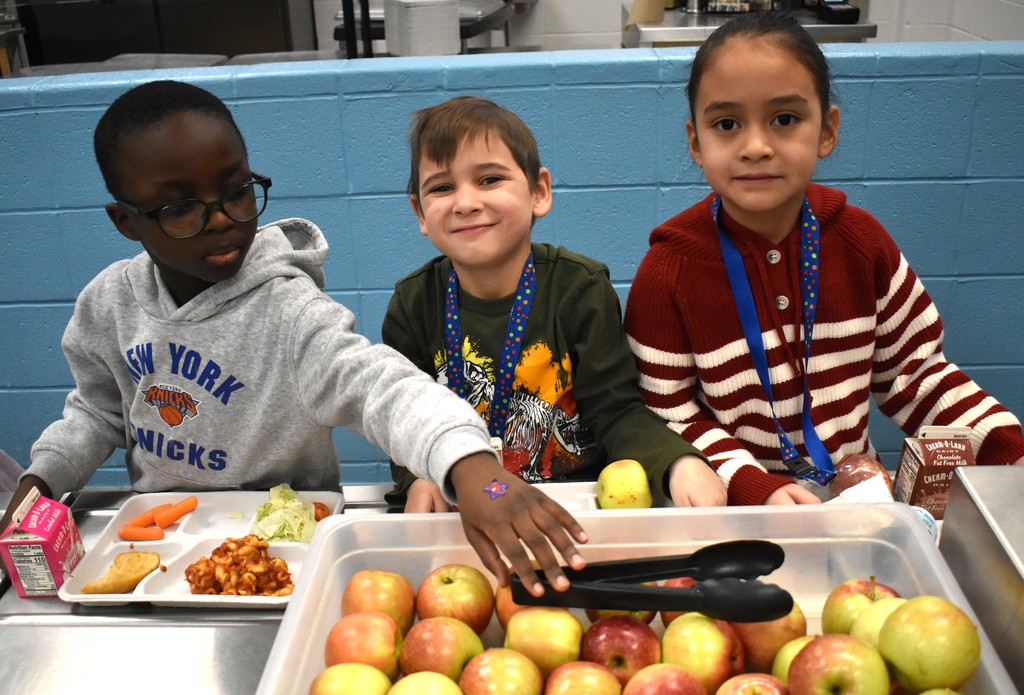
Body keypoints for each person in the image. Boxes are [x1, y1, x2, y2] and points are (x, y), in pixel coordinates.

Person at [0, 80, 588, 596]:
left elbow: (383, 387)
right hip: (165, 546)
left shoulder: (291, 311)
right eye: (181, 208)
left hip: (291, 549)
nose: (224, 218)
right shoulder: (108, 304)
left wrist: (474, 469)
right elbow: (98, 411)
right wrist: (39, 482)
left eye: (236, 190)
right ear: (127, 221)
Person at [624, 12, 1024, 506]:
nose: (755, 147)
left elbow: (918, 377)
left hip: (854, 501)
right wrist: (755, 487)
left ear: (827, 131)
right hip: (732, 513)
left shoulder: (863, 243)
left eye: (785, 119)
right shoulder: (668, 271)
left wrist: (1009, 450)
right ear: (696, 144)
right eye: (727, 124)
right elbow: (665, 413)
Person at [382, 95, 727, 513]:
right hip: (466, 507)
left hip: (574, 510)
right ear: (420, 212)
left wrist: (677, 462)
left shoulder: (580, 289)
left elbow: (615, 409)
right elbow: (404, 420)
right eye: (442, 187)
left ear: (539, 192)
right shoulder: (413, 304)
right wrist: (418, 478)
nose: (466, 202)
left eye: (490, 179)